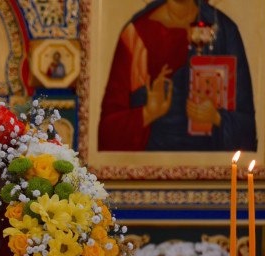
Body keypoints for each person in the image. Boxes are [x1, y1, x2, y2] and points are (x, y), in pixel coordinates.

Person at [98, 0, 256, 152]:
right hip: (153, 164)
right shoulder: (137, 34)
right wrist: (148, 113)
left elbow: (247, 132)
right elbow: (107, 135)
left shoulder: (225, 32)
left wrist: (217, 117)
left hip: (210, 165)